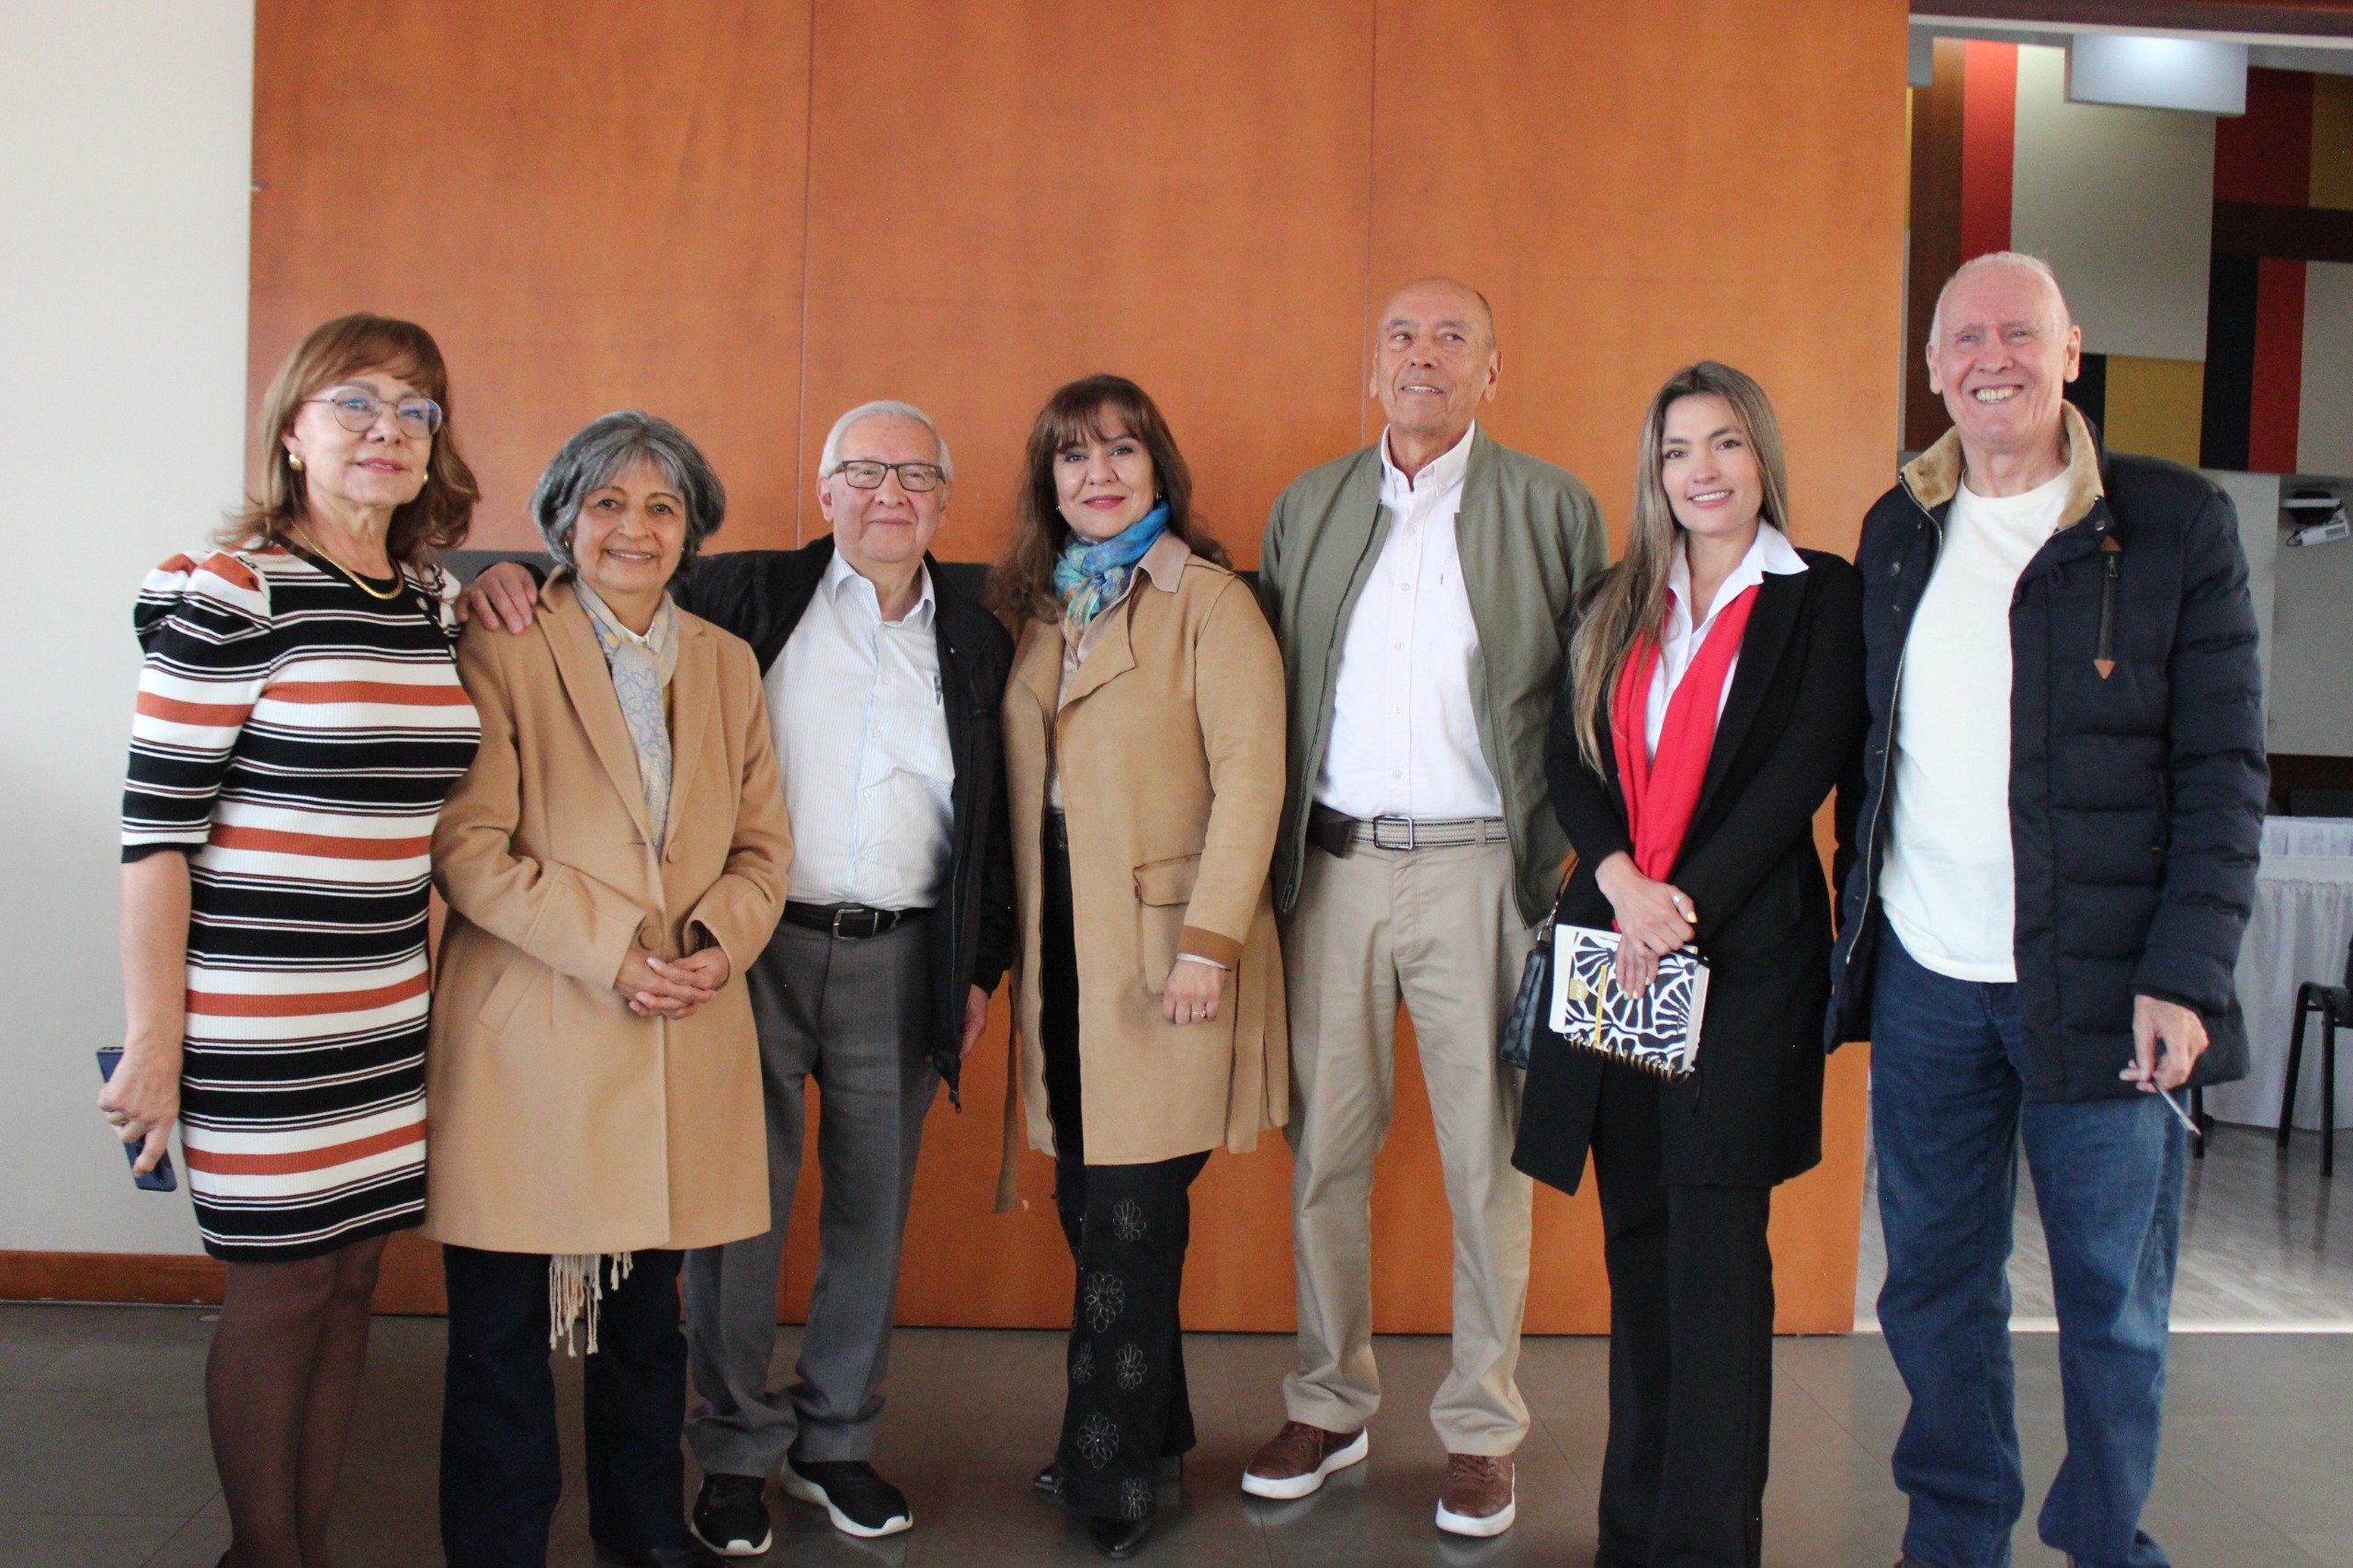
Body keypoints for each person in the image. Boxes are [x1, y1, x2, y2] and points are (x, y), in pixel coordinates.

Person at [457, 399, 1016, 1552]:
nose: (889, 495)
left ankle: (835, 1442)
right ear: (825, 490)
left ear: (946, 501)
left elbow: (995, 813)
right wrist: (496, 577)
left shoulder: (975, 631)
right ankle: (731, 1454)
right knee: (727, 1222)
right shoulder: (753, 594)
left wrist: (980, 963)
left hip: (883, 952)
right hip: (738, 965)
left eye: (915, 475)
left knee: (872, 1208)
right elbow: (588, 591)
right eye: (863, 471)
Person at [1827, 253, 2265, 1568]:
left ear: (2072, 350)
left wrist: (2185, 976)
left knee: (2110, 1308)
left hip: (2107, 989)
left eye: (2022, 331)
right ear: (1932, 365)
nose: (1992, 357)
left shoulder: (2173, 522)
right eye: (1966, 337)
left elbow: (2224, 768)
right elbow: (1869, 750)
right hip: (1926, 984)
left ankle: (2101, 1545)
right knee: (1934, 1293)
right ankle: (1954, 1538)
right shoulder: (1897, 528)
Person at [108, 313, 481, 1568]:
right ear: (292, 430)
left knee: (351, 1283)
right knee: (276, 1295)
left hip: (383, 1011)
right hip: (258, 1017)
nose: (388, 429)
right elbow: (155, 837)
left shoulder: (427, 599)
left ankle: (301, 1546)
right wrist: (158, 1044)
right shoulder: (233, 589)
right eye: (355, 404)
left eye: (415, 409)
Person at [1245, 278, 1608, 1536]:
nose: (1424, 355)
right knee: (1324, 1154)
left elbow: (1593, 692)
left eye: (1454, 338)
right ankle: (1330, 1400)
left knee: (1487, 1158)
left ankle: (1482, 1425)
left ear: (1492, 372)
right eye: (1401, 334)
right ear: (1372, 363)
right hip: (1334, 870)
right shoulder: (1311, 505)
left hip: (1483, 871)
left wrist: (1567, 860)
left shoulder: (1551, 504)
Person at [426, 412, 791, 1568]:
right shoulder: (504, 643)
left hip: (679, 1034)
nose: (634, 527)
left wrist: (716, 948)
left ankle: (642, 1537)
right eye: (607, 504)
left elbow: (765, 849)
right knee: (498, 1337)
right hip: (531, 1040)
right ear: (561, 522)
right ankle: (498, 1547)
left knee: (646, 1330)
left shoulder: (728, 663)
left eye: (662, 507)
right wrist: (613, 949)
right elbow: (470, 847)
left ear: (693, 534)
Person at [1515, 362, 1866, 1566]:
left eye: (1725, 444)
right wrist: (1617, 880)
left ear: (1762, 457)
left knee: (1718, 1275)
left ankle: (1709, 1545)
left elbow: (1801, 769)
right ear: (1653, 470)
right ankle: (1633, 1537)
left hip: (1743, 970)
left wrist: (1685, 902)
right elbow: (1566, 758)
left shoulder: (1819, 597)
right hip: (1618, 957)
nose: (1701, 471)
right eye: (1677, 450)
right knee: (1640, 1259)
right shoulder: (1616, 600)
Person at [992, 374, 1286, 1558]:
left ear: (1160, 468)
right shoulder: (1040, 607)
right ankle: (1156, 1424)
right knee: (1085, 1195)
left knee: (1129, 1214)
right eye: (1073, 457)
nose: (1098, 473)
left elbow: (1253, 778)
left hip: (1170, 950)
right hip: (1062, 945)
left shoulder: (1211, 602)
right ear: (1047, 482)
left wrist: (1209, 941)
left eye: (1121, 450)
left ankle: (1108, 1468)